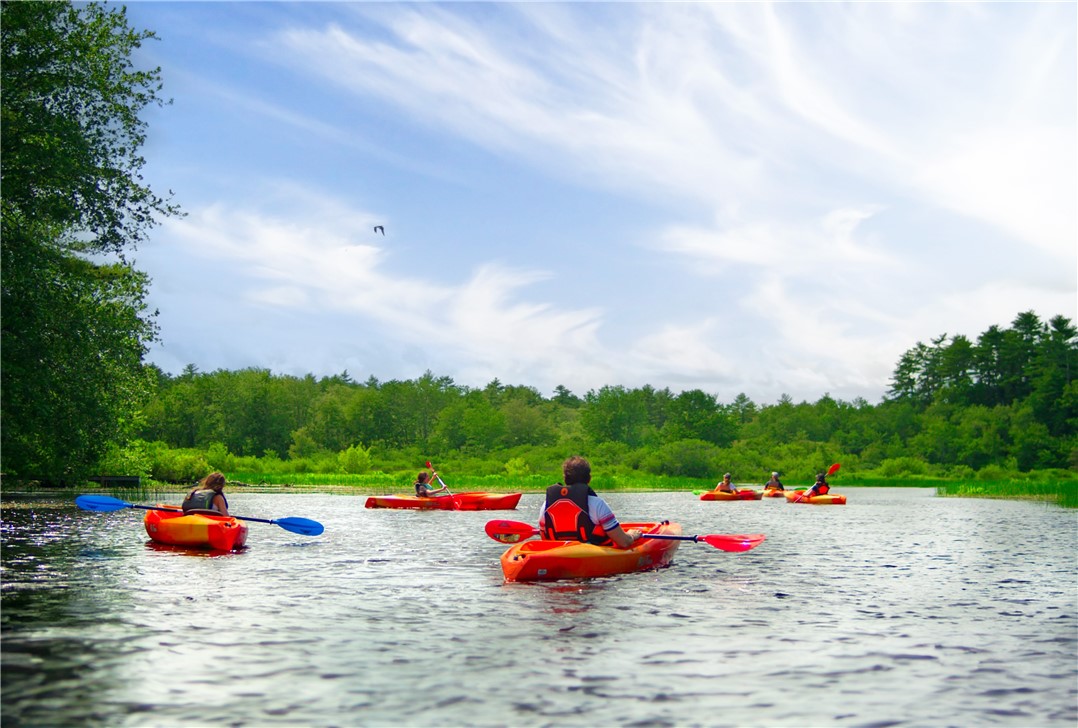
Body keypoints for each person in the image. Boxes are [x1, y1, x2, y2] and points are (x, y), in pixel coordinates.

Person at [538, 456, 642, 548]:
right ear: (589, 479)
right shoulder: (597, 504)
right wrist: (632, 535)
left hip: (558, 552)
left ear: (565, 479)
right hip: (589, 553)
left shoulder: (546, 505)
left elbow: (545, 539)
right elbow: (624, 542)